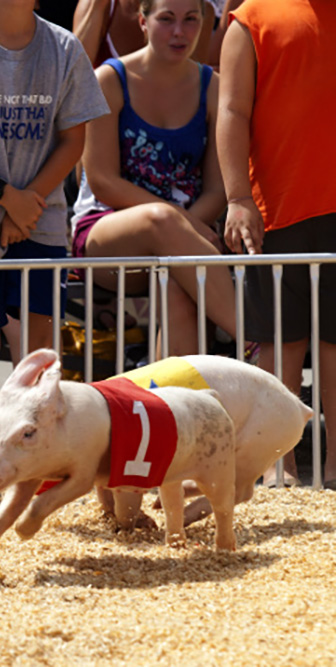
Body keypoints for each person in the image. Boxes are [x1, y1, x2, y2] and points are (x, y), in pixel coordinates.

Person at [0, 0, 109, 464]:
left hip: (43, 220)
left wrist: (25, 202)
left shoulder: (64, 47)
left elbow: (75, 137)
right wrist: (5, 195)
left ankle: (37, 460)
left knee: (39, 352)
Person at [70, 0, 236, 358]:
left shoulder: (213, 87)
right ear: (143, 22)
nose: (179, 32)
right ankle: (256, 339)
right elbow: (102, 181)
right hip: (108, 232)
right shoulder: (109, 80)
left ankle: (172, 406)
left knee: (180, 284)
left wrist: (183, 231)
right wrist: (182, 226)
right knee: (162, 222)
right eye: (167, 19)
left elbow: (218, 189)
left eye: (191, 19)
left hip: (190, 239)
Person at [218, 0, 336, 489]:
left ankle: (333, 471)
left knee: (334, 347)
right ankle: (277, 467)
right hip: (278, 210)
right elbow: (231, 110)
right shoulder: (251, 18)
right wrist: (237, 198)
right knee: (279, 345)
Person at [73, 0, 214, 66]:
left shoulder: (195, 13)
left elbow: (195, 91)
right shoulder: (99, 6)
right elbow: (72, 74)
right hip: (100, 120)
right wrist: (96, 5)